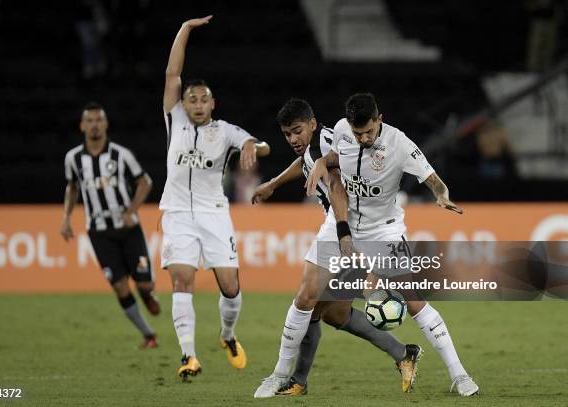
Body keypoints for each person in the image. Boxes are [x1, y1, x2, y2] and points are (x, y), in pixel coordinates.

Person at [304, 93, 479, 396]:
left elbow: (432, 178)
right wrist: (321, 161)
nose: (363, 138)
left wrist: (441, 194)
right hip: (343, 229)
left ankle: (459, 374)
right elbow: (337, 156)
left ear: (380, 119)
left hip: (384, 232)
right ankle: (292, 378)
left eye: (369, 131)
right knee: (321, 306)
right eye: (358, 133)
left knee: (413, 300)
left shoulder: (400, 144)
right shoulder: (344, 131)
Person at [252, 99, 421, 397]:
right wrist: (273, 184)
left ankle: (288, 378)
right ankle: (404, 353)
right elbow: (304, 162)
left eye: (297, 131)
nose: (293, 139)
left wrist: (343, 234)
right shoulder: (316, 145)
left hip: (355, 233)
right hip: (349, 232)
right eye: (287, 134)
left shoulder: (330, 146)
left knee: (308, 300)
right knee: (333, 313)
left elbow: (337, 186)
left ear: (313, 124)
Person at [161, 15, 270, 379]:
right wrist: (185, 30)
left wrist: (253, 147)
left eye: (202, 99)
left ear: (212, 104)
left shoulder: (224, 132)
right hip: (176, 212)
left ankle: (227, 335)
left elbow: (252, 141)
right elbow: (172, 76)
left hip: (213, 214)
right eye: (191, 99)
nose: (195, 103)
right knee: (182, 281)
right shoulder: (173, 117)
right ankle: (188, 356)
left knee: (230, 286)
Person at [61, 102, 160, 349]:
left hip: (129, 230)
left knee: (144, 285)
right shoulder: (73, 158)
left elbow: (145, 182)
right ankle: (148, 335)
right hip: (99, 232)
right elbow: (72, 187)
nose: (94, 125)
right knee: (119, 287)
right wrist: (66, 218)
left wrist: (131, 211)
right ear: (82, 125)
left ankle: (147, 294)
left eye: (98, 120)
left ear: (105, 124)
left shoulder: (120, 155)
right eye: (90, 120)